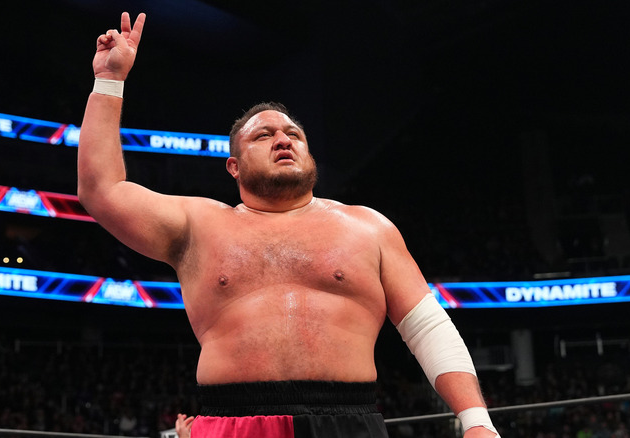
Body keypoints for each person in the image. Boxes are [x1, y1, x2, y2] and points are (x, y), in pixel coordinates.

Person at [77, 11, 501, 438]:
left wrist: (477, 421)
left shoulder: (368, 228)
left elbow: (427, 327)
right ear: (234, 167)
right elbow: (102, 190)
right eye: (263, 136)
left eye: (294, 135)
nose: (283, 139)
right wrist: (109, 81)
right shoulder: (197, 226)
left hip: (347, 421)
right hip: (231, 423)